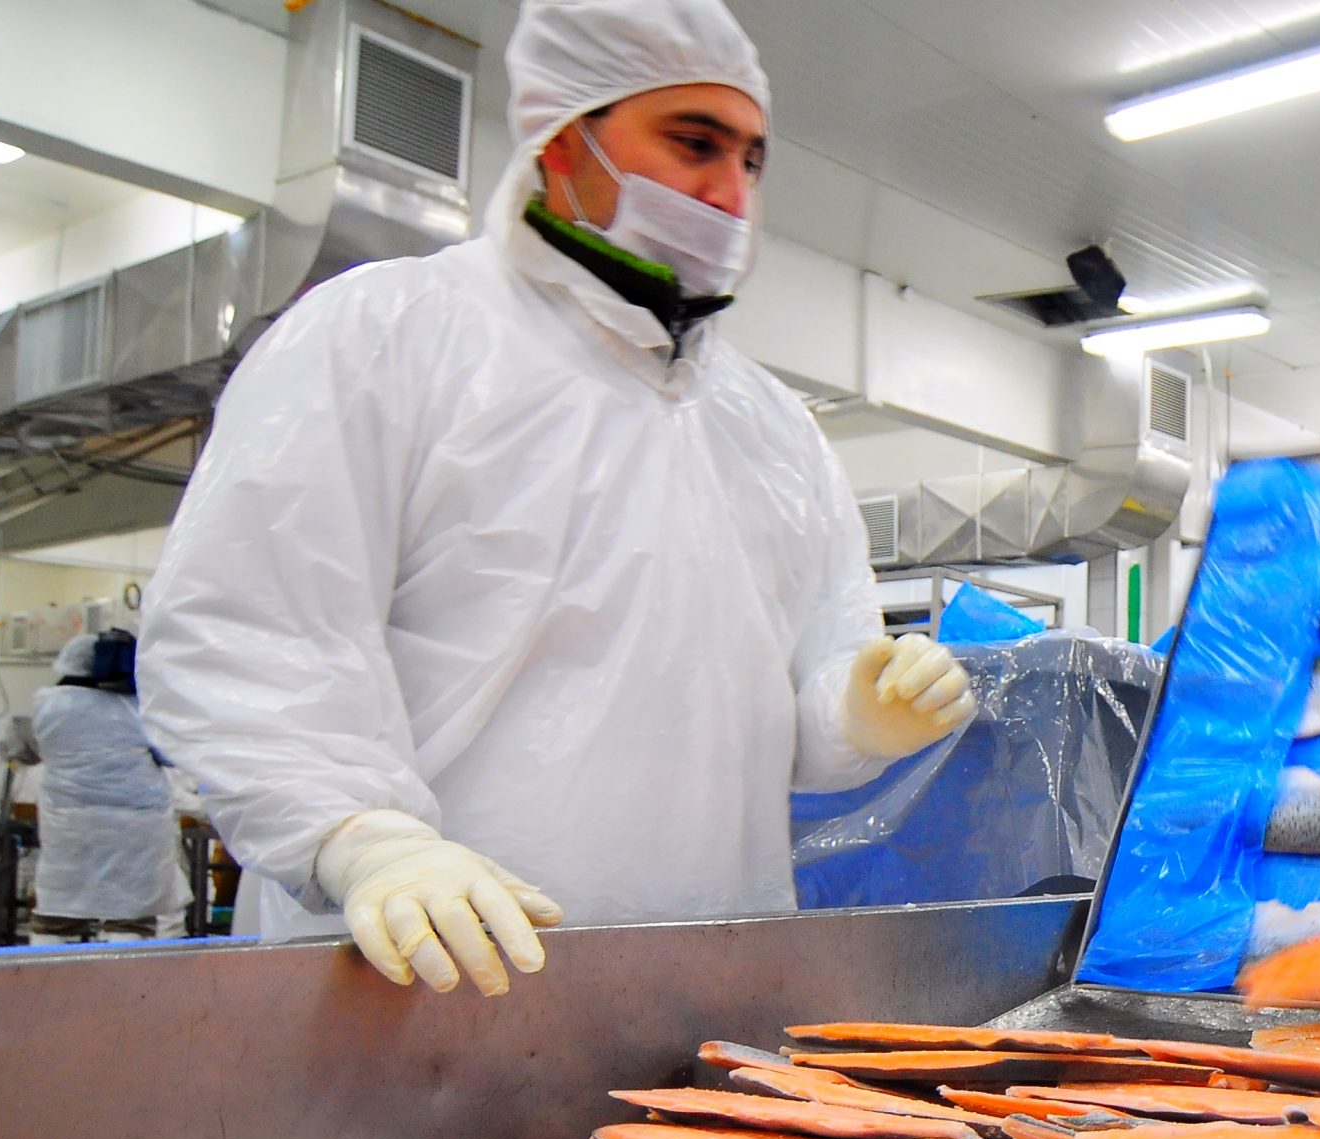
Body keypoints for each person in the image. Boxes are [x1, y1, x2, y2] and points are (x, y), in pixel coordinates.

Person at [138, 0, 973, 1000]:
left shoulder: (772, 429)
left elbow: (788, 720)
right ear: (563, 138)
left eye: (751, 160)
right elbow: (252, 631)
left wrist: (852, 712)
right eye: (693, 142)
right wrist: (365, 839)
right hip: (417, 986)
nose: (730, 192)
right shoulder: (388, 335)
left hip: (696, 995)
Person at [29, 632, 181, 944]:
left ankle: (49, 984)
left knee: (59, 914)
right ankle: (125, 986)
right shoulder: (139, 710)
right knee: (131, 918)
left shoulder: (47, 705)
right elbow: (171, 754)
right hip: (135, 829)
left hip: (69, 827)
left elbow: (32, 747)